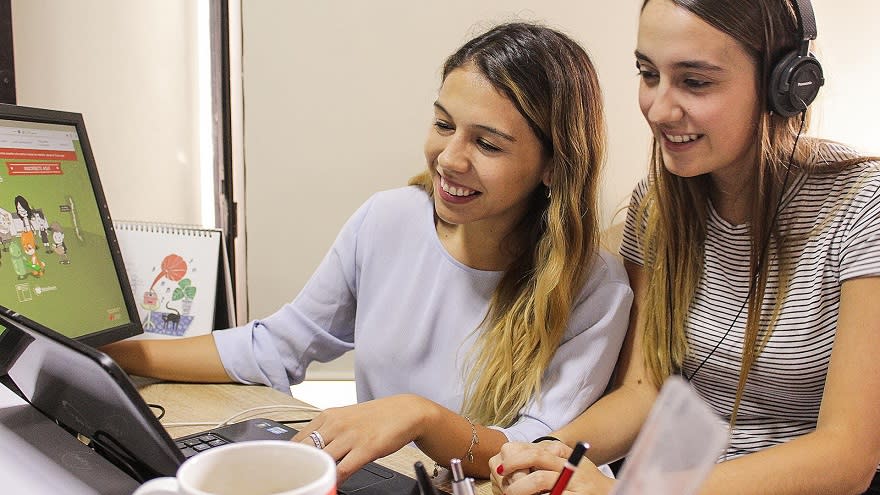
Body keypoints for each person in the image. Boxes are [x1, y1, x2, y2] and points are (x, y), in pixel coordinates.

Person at [102, 22, 632, 482]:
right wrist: (113, 356)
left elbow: (534, 454)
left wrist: (420, 416)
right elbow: (277, 345)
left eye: (487, 144)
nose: (449, 158)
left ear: (555, 165)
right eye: (444, 124)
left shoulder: (594, 284)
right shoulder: (387, 219)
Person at [489, 1, 880, 494]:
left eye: (695, 82)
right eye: (648, 73)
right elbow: (642, 391)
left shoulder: (866, 203)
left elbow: (846, 456)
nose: (658, 107)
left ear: (787, 84)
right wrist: (548, 453)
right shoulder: (654, 206)